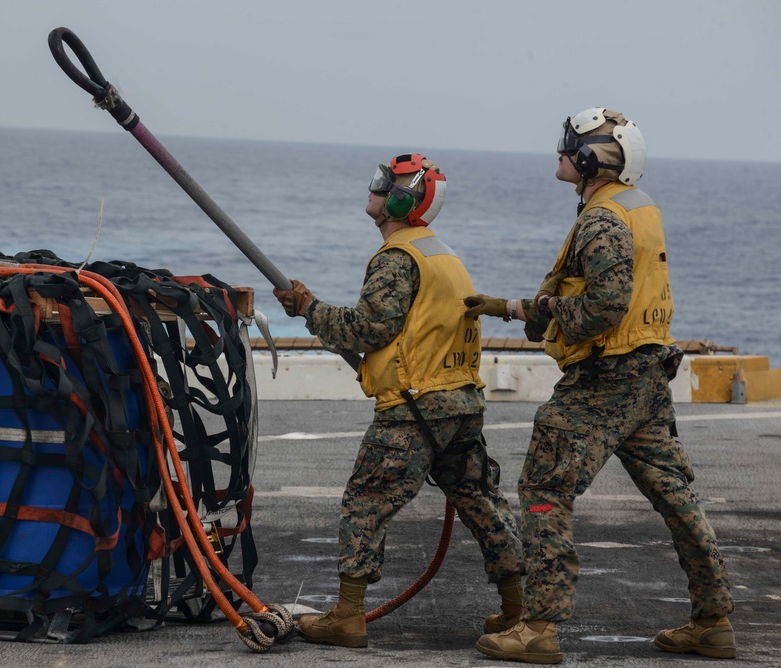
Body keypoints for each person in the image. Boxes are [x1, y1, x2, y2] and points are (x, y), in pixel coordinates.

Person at [464, 108, 735, 663]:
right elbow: (606, 296)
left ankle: (538, 627)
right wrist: (513, 308)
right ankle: (713, 619)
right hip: (647, 375)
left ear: (591, 159)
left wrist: (541, 307)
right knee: (676, 499)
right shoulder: (639, 208)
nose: (561, 152)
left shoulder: (600, 220)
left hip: (604, 380)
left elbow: (603, 308)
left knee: (544, 489)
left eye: (570, 145)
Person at [273, 153, 524, 649]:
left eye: (385, 184)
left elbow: (369, 328)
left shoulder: (397, 258)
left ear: (405, 198)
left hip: (414, 408)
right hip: (460, 403)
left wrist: (309, 309)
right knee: (481, 501)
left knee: (366, 502)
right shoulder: (443, 254)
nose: (376, 189)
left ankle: (347, 617)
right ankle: (518, 610)